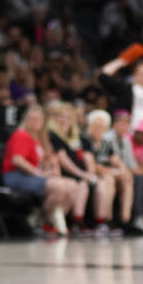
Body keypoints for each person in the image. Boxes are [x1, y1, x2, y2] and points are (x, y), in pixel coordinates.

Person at [1, 104, 80, 236]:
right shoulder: (21, 135)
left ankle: (47, 220)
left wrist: (52, 169)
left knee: (72, 186)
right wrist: (39, 174)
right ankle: (45, 221)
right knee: (58, 187)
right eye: (32, 119)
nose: (35, 122)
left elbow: (47, 160)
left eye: (38, 119)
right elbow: (18, 160)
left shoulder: (40, 139)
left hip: (33, 176)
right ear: (26, 120)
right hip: (16, 175)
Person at [47, 100, 111, 233]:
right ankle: (77, 222)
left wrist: (91, 173)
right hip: (66, 172)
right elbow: (63, 159)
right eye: (61, 116)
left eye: (68, 117)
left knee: (101, 184)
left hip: (81, 172)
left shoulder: (80, 138)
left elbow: (88, 158)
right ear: (55, 118)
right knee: (82, 184)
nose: (64, 120)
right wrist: (82, 174)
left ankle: (101, 223)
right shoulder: (52, 136)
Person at [81, 109, 137, 233]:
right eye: (96, 126)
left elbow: (114, 158)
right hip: (94, 171)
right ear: (90, 126)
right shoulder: (85, 139)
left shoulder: (105, 142)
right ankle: (108, 218)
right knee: (109, 179)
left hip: (107, 170)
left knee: (127, 177)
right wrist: (108, 170)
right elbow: (90, 162)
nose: (99, 129)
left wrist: (123, 169)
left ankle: (125, 217)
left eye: (102, 127)